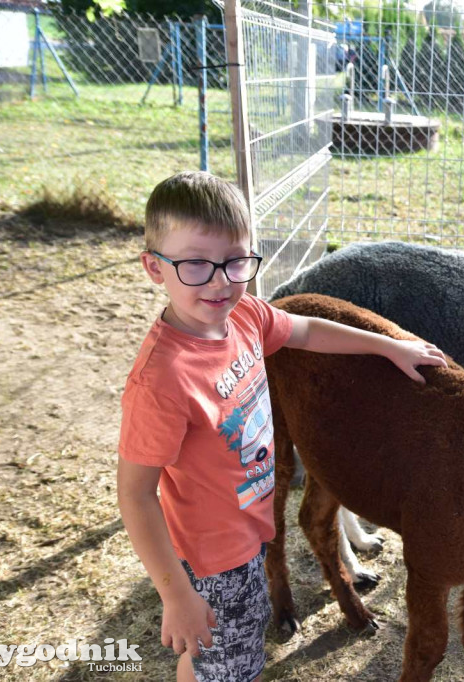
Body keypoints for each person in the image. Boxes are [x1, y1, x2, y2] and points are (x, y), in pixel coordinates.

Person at [116, 171, 447, 682]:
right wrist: (176, 594)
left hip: (250, 531)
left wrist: (389, 345)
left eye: (235, 261)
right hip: (212, 559)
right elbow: (136, 496)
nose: (221, 280)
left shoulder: (243, 315)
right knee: (228, 662)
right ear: (154, 268)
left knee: (216, 656)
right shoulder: (162, 380)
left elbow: (306, 330)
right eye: (196, 264)